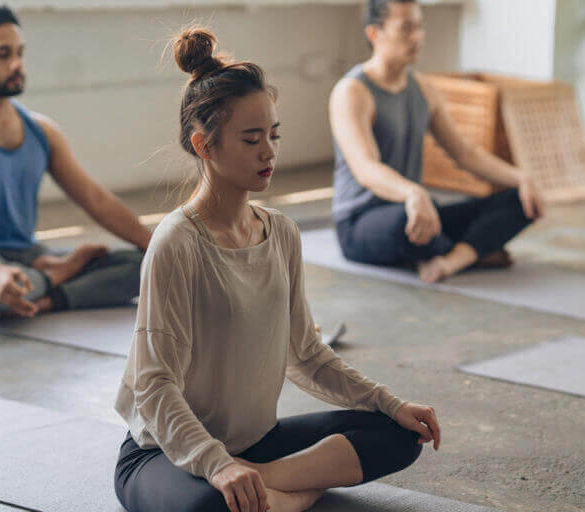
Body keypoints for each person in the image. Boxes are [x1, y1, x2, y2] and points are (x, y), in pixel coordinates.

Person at [113, 27, 440, 512]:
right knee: (208, 508)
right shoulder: (175, 243)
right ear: (204, 146)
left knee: (398, 433)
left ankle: (267, 489)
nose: (269, 151)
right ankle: (284, 494)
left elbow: (306, 356)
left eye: (273, 134)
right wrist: (217, 464)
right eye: (251, 139)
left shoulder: (282, 233)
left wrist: (389, 402)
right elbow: (154, 385)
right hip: (166, 453)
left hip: (256, 448)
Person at [0, 6, 151, 321]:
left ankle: (46, 298)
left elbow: (95, 199)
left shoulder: (41, 130)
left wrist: (155, 245)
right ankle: (58, 277)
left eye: (20, 52)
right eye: (2, 54)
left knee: (146, 268)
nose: (16, 64)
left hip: (29, 258)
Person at [329, 0, 546, 283]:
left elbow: (465, 153)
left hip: (416, 212)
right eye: (406, 28)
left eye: (419, 26)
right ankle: (476, 249)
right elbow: (365, 168)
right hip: (361, 223)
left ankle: (452, 260)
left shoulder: (425, 89)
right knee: (409, 223)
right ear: (375, 34)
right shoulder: (352, 91)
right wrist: (413, 193)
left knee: (521, 200)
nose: (417, 36)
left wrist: (521, 178)